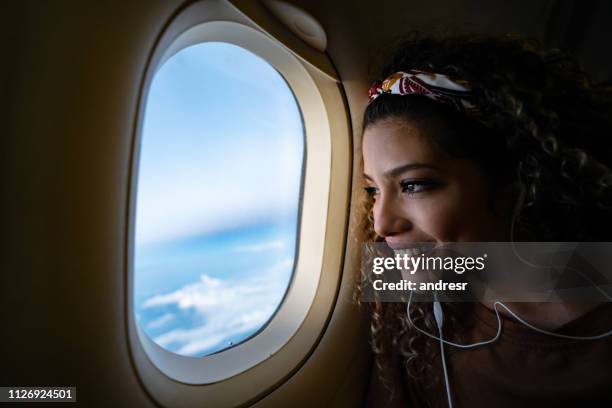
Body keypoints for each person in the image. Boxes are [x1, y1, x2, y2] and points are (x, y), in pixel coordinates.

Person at [356, 33, 612, 407]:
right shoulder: (416, 311)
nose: (381, 224)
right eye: (372, 191)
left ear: (516, 178)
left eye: (413, 185)